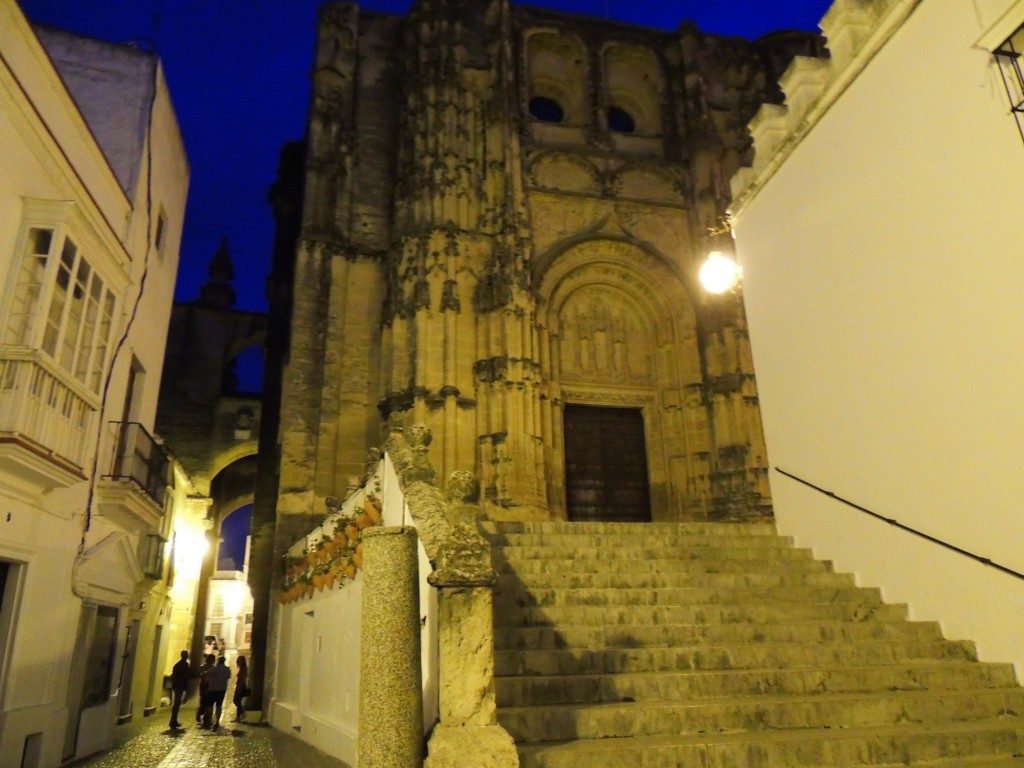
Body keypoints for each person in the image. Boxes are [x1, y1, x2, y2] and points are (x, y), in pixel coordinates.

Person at [205, 656, 232, 730]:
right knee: (219, 706)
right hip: (221, 690)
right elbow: (228, 677)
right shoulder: (227, 669)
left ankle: (210, 720)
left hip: (212, 689)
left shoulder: (214, 669)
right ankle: (217, 721)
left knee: (210, 705)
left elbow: (207, 674)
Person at [169, 650, 189, 729]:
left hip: (178, 686)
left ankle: (173, 720)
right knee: (177, 704)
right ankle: (173, 721)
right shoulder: (182, 665)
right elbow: (183, 676)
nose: (187, 656)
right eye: (186, 655)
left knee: (177, 704)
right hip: (179, 686)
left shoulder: (178, 665)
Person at [196, 653, 215, 727]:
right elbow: (197, 673)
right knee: (206, 701)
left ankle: (204, 717)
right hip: (205, 686)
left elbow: (197, 673)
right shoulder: (207, 667)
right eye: (213, 659)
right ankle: (203, 716)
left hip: (207, 686)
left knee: (206, 702)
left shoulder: (208, 667)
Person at [233, 655, 248, 723]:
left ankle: (241, 714)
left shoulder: (244, 668)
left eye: (239, 660)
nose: (237, 661)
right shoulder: (242, 668)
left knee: (236, 700)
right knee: (237, 701)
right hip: (239, 685)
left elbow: (244, 678)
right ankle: (240, 715)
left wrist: (240, 686)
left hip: (240, 686)